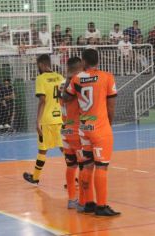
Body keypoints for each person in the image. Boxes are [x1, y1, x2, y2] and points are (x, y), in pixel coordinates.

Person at [63, 48, 120, 216]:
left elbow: (65, 98)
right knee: (101, 167)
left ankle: (88, 203)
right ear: (98, 60)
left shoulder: (76, 79)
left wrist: (69, 78)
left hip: (84, 128)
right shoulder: (107, 77)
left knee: (86, 166)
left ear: (84, 62)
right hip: (100, 128)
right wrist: (109, 124)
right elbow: (111, 105)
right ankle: (101, 206)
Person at [23, 54, 64, 185]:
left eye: (37, 65)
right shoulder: (60, 77)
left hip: (46, 119)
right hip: (60, 118)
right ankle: (78, 176)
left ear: (41, 64)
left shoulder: (40, 78)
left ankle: (35, 177)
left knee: (42, 149)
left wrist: (37, 121)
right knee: (65, 149)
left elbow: (42, 100)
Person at [59, 57, 89, 209]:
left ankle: (72, 199)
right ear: (79, 68)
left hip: (65, 130)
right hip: (77, 131)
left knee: (71, 166)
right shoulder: (78, 84)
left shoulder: (61, 84)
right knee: (84, 167)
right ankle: (83, 202)